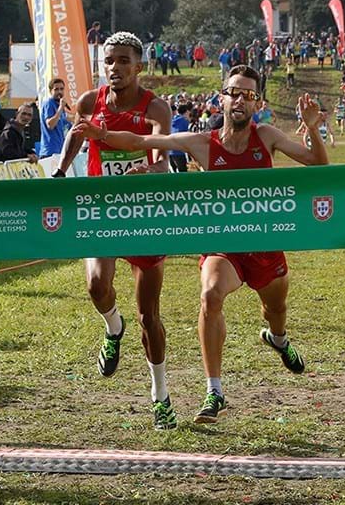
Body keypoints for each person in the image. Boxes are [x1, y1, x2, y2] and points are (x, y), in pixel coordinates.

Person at [73, 65, 328, 425]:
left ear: (258, 104)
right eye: (233, 92)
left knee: (276, 311)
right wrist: (100, 132)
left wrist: (313, 129)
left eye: (248, 95)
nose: (239, 100)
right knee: (210, 295)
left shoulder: (267, 135)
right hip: (223, 247)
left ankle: (278, 339)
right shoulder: (203, 143)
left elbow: (318, 164)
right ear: (220, 98)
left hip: (265, 245)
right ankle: (215, 391)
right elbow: (143, 142)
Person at [54, 31, 175, 430]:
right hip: (102, 211)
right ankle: (112, 327)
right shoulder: (91, 102)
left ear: (139, 66)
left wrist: (150, 169)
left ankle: (160, 396)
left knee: (149, 318)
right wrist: (59, 171)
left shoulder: (156, 107)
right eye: (109, 61)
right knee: (95, 286)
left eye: (124, 60)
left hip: (143, 217)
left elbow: (162, 160)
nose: (115, 67)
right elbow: (76, 133)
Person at [39, 78, 74, 159]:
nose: (59, 92)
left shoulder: (61, 107)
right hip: (49, 151)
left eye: (61, 89)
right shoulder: (49, 103)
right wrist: (61, 108)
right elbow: (50, 125)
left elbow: (66, 126)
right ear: (51, 91)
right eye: (56, 89)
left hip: (60, 150)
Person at [170, 103, 192, 173]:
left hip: (170, 151)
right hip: (179, 151)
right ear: (187, 111)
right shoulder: (185, 122)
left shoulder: (173, 120)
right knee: (184, 173)